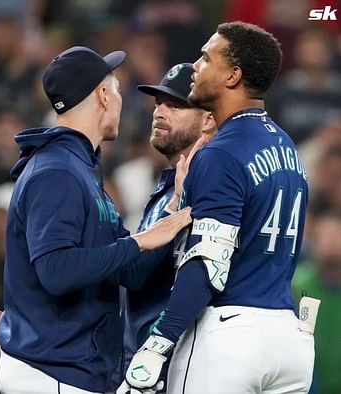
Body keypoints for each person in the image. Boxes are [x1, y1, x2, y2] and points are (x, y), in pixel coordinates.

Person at [120, 22, 314, 394]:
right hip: (289, 336)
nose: (196, 65)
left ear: (232, 75)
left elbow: (208, 263)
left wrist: (159, 342)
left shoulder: (220, 151)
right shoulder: (287, 146)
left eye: (206, 58)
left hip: (231, 334)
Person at [0, 46, 192, 394]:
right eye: (115, 88)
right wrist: (140, 240)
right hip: (52, 371)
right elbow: (56, 271)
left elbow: (130, 271)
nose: (120, 98)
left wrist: (173, 207)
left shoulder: (80, 169)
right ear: (102, 95)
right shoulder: (57, 170)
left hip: (63, 370)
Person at [120, 62, 215, 390]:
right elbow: (135, 276)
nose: (159, 112)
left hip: (180, 364)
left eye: (175, 105)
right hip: (146, 359)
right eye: (158, 103)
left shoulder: (214, 190)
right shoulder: (167, 188)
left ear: (207, 119)